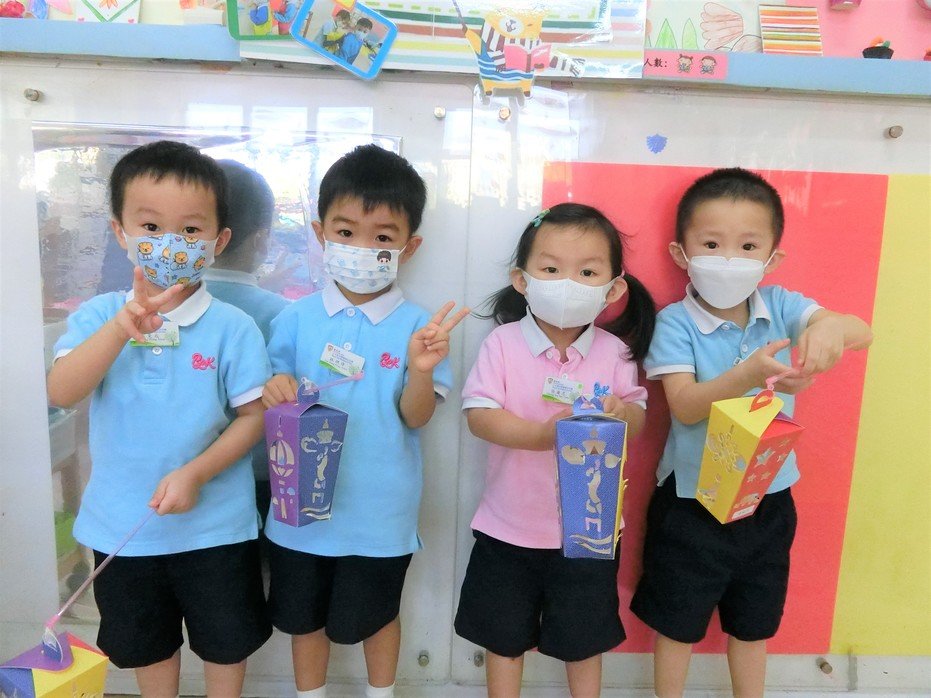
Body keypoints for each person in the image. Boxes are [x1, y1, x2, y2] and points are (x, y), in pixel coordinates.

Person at [629, 167, 873, 698]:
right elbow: (685, 407)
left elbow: (862, 330)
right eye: (711, 244)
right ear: (681, 253)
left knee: (753, 623)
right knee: (676, 623)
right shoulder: (675, 322)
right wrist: (747, 375)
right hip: (692, 502)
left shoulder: (782, 305)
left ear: (771, 258)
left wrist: (830, 329)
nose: (729, 259)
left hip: (769, 497)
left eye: (747, 246)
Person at [46, 141, 272, 696]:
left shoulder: (234, 327)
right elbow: (62, 390)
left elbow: (253, 418)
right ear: (120, 232)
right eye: (150, 225)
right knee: (148, 648)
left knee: (226, 644)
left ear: (219, 241)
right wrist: (121, 328)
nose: (170, 242)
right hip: (123, 529)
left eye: (191, 230)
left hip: (217, 528)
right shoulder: (100, 315)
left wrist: (195, 473)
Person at [261, 143, 469, 698]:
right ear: (320, 233)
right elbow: (270, 396)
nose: (361, 248)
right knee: (304, 620)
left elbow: (416, 417)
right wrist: (276, 390)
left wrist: (420, 369)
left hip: (379, 509)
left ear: (409, 246)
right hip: (299, 507)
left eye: (382, 237)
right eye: (346, 231)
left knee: (378, 616)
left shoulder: (421, 327)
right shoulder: (295, 318)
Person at [454, 203, 657, 697]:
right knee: (503, 642)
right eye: (550, 269)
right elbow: (479, 416)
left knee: (583, 644)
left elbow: (638, 418)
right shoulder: (502, 344)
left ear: (613, 289)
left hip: (590, 530)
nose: (568, 283)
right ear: (521, 280)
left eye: (587, 272)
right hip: (508, 529)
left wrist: (620, 413)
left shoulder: (615, 352)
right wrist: (543, 436)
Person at [207, 159, 289, 522]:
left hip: (181, 472)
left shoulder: (162, 307)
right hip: (260, 474)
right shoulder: (282, 313)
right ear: (260, 240)